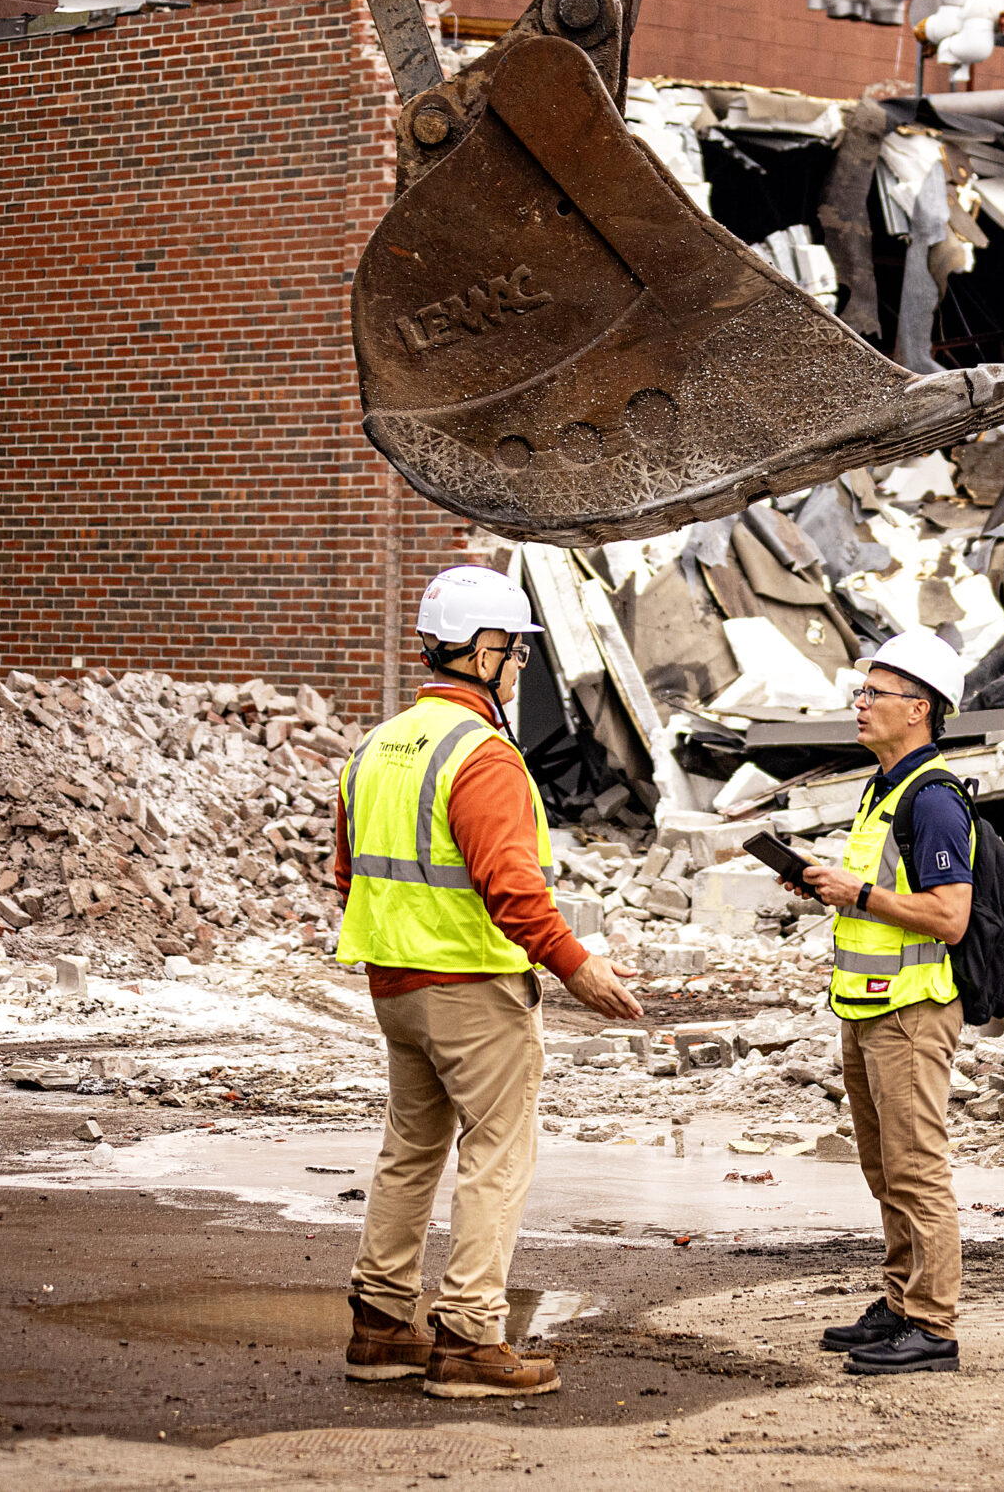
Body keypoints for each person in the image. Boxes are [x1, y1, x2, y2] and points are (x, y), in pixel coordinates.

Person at [333, 564, 643, 1398]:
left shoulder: (377, 745)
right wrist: (578, 967)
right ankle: (470, 1337)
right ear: (483, 651)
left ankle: (382, 1323)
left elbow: (347, 872)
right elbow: (512, 887)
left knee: (410, 1149)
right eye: (516, 653)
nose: (521, 669)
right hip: (472, 988)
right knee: (497, 1154)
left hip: (395, 985)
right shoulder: (483, 755)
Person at [793, 630, 975, 1375]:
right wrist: (831, 884)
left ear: (920, 709)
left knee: (916, 1167)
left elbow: (949, 915)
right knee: (884, 1168)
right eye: (860, 691)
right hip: (867, 1008)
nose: (860, 703)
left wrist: (857, 891)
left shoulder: (932, 801)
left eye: (876, 693)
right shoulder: (885, 789)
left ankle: (931, 1324)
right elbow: (882, 901)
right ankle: (901, 1302)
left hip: (911, 1013)